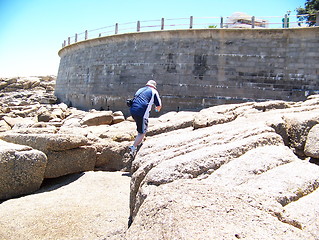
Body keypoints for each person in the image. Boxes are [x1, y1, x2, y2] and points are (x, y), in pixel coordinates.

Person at [129, 80, 162, 156]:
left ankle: (138, 141)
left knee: (140, 126)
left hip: (133, 110)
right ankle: (133, 147)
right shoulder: (154, 91)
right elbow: (159, 105)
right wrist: (157, 110)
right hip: (142, 112)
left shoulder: (140, 89)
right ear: (154, 86)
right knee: (143, 132)